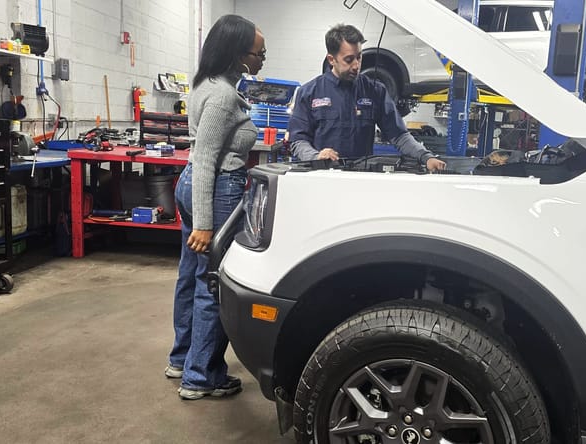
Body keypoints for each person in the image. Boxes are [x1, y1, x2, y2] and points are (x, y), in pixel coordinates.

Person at [166, 14, 266, 400]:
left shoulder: (207, 85)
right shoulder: (224, 96)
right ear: (238, 55)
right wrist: (205, 225)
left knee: (190, 275)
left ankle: (182, 359)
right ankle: (201, 376)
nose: (262, 60)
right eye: (259, 53)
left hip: (192, 184)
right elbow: (207, 158)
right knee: (213, 283)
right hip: (214, 187)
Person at [288, 24, 446, 172]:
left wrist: (426, 156)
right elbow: (298, 141)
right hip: (321, 177)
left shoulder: (375, 91)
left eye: (359, 57)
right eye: (349, 60)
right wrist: (316, 157)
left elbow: (399, 135)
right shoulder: (309, 93)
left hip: (361, 179)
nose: (356, 65)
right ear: (331, 60)